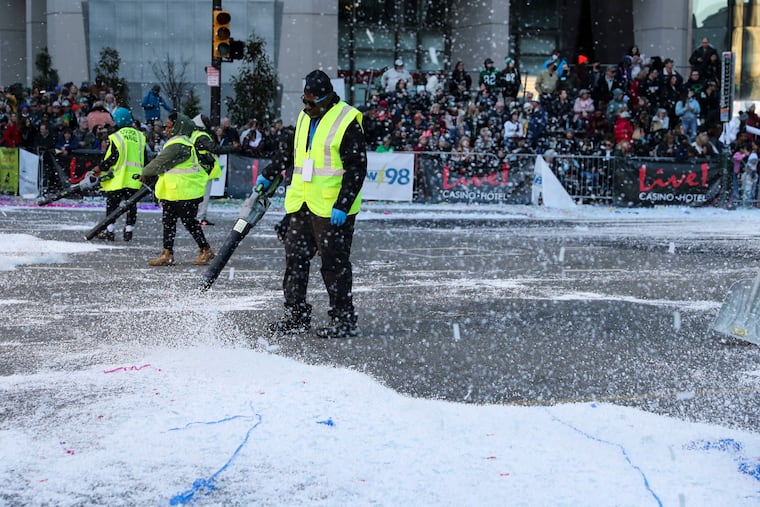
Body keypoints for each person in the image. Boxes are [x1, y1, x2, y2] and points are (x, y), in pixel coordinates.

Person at [257, 69, 367, 339]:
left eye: (312, 102)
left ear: (327, 97)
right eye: (304, 102)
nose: (307, 107)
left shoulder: (347, 119)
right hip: (303, 203)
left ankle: (343, 319)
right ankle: (296, 316)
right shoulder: (305, 117)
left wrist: (343, 203)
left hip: (331, 208)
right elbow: (292, 154)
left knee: (334, 264)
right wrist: (269, 173)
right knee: (294, 259)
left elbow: (357, 167)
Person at [141, 113, 214, 266]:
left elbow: (160, 162)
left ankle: (205, 250)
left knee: (188, 223)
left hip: (183, 191)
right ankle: (167, 253)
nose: (165, 130)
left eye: (168, 126)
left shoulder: (178, 143)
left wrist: (145, 172)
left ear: (178, 127)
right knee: (169, 222)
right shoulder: (180, 142)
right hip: (175, 192)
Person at [92, 107, 147, 241]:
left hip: (118, 178)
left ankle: (110, 231)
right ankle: (129, 230)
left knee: (112, 204)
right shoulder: (140, 136)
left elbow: (113, 158)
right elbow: (145, 158)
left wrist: (100, 167)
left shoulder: (116, 137)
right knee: (131, 205)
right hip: (135, 178)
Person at [191, 113, 238, 226]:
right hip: (204, 170)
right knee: (204, 196)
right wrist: (232, 148)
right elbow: (215, 148)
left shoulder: (194, 135)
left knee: (198, 195)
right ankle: (200, 218)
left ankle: (197, 217)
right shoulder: (202, 136)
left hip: (198, 169)